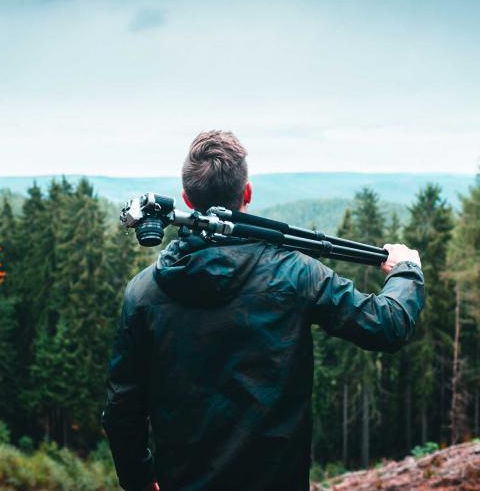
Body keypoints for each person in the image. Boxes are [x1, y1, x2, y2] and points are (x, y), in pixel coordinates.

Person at [102, 130, 424, 491]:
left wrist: (140, 480)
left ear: (186, 200)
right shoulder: (296, 273)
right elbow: (387, 324)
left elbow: (122, 409)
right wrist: (406, 270)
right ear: (248, 193)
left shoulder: (145, 292)